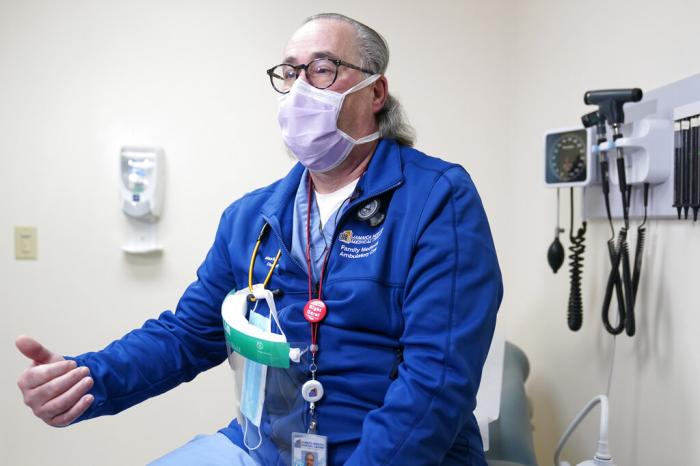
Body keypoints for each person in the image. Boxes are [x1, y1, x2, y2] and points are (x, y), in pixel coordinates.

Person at [15, 12, 502, 466]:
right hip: (267, 447)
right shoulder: (252, 217)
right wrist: (88, 378)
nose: (299, 89)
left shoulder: (437, 198)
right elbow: (187, 334)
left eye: (323, 69)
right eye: (289, 73)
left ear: (377, 93)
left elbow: (436, 381)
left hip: (387, 450)